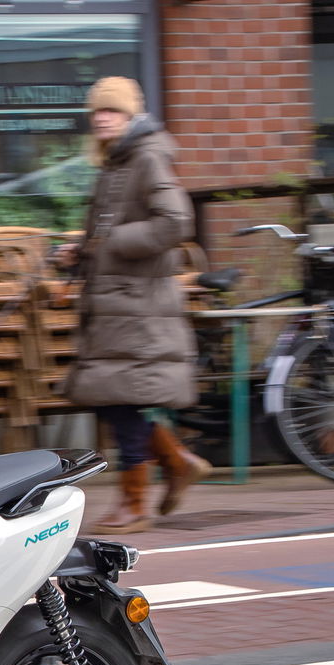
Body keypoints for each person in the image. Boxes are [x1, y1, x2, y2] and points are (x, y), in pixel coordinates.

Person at [58, 76, 208, 534]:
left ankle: (135, 502)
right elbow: (109, 232)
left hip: (137, 307)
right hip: (117, 307)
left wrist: (113, 243)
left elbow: (176, 221)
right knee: (115, 400)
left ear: (131, 116)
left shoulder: (147, 157)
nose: (101, 117)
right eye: (97, 111)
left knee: (122, 401)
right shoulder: (116, 162)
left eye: (112, 111)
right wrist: (81, 249)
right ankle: (176, 461)